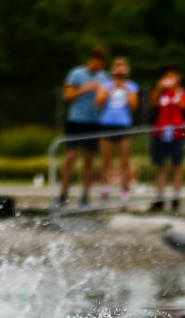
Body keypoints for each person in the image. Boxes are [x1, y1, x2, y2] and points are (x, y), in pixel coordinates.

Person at [58, 47, 109, 207]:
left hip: (93, 122)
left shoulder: (104, 77)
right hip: (76, 121)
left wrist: (102, 99)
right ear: (94, 60)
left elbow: (104, 99)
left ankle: (85, 195)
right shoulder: (76, 73)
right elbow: (66, 96)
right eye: (100, 63)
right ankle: (63, 193)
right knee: (70, 158)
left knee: (89, 161)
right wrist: (84, 89)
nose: (101, 67)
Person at [149, 67, 185, 213]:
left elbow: (183, 106)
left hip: (176, 133)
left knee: (177, 165)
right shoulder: (160, 93)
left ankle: (176, 196)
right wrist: (159, 88)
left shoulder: (182, 92)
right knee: (160, 166)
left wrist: (175, 90)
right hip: (160, 131)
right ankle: (159, 197)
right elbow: (153, 103)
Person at [96, 57, 138, 201]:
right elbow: (99, 102)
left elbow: (133, 106)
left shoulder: (131, 86)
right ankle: (105, 187)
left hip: (123, 124)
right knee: (106, 159)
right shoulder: (106, 85)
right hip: (107, 124)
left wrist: (124, 88)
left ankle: (125, 188)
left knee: (124, 159)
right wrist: (112, 88)